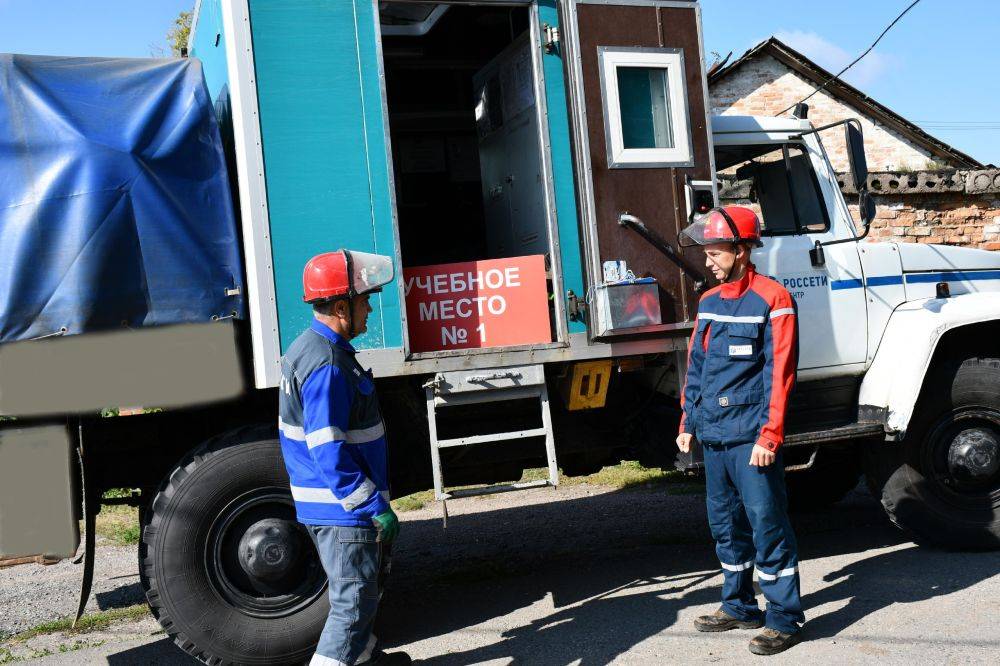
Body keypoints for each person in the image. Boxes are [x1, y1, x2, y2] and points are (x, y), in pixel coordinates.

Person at [675, 206, 804, 655]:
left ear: (742, 250)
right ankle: (739, 605)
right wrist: (688, 422)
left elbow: (780, 374)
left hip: (751, 440)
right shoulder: (709, 303)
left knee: (767, 524)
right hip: (714, 436)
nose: (708, 262)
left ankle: (784, 618)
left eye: (715, 253)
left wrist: (770, 436)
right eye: (706, 253)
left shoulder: (774, 299)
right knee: (725, 525)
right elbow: (698, 367)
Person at [278, 249, 410, 666]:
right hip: (343, 513)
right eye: (363, 300)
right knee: (352, 606)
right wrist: (373, 506)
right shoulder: (328, 364)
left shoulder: (308, 347)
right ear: (340, 307)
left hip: (331, 509)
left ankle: (366, 660)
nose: (370, 308)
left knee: (363, 596)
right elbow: (327, 449)